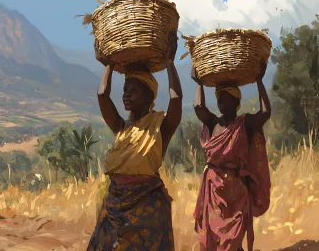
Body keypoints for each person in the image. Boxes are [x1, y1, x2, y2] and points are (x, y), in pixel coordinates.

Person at [86, 30, 183, 251]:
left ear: (150, 96)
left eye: (133, 90)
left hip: (148, 206)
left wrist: (169, 62)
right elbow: (102, 95)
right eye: (125, 90)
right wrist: (109, 65)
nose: (126, 95)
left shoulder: (161, 128)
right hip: (115, 203)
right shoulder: (120, 127)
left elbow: (176, 98)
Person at [191, 61, 272, 251]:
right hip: (213, 190)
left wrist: (259, 80)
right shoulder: (213, 123)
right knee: (212, 237)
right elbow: (198, 108)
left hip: (236, 191)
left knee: (232, 239)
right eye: (219, 99)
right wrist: (199, 83)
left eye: (226, 99)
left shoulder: (245, 124)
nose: (221, 103)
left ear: (236, 102)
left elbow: (266, 112)